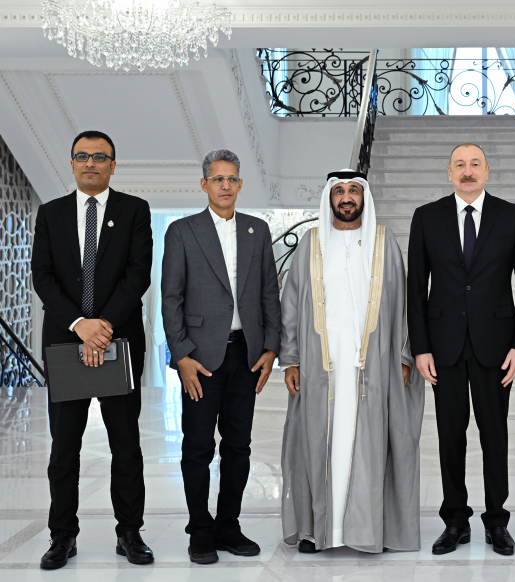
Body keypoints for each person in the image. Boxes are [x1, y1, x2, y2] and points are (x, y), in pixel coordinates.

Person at [279, 169, 422, 553]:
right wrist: (291, 359)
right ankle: (317, 531)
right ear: (329, 198)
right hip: (319, 365)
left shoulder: (384, 241)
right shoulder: (310, 243)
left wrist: (404, 355)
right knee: (318, 444)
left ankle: (368, 532)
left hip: (372, 365)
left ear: (364, 197)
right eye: (339, 191)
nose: (346, 197)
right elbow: (289, 304)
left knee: (370, 447)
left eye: (353, 191)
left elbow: (404, 303)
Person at [407, 143, 515, 556]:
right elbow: (415, 289)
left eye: (475, 164)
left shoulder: (513, 216)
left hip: (497, 346)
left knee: (494, 435)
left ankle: (497, 521)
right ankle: (455, 521)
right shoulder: (427, 217)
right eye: (460, 165)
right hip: (442, 346)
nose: (468, 171)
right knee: (450, 437)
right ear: (449, 172)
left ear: (487, 171)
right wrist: (420, 347)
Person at [32, 130, 154, 570]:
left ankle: (129, 532)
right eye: (82, 156)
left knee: (126, 444)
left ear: (113, 165)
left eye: (100, 157)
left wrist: (102, 327)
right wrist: (80, 325)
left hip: (118, 340)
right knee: (64, 447)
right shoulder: (51, 213)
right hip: (66, 342)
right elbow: (42, 276)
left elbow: (138, 274)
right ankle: (62, 536)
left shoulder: (134, 210)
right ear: (72, 163)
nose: (90, 163)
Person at [161, 149, 281, 565]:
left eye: (231, 179)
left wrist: (271, 348)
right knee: (197, 446)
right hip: (200, 358)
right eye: (218, 179)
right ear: (204, 184)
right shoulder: (182, 231)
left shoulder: (256, 230)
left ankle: (229, 525)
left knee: (238, 446)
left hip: (246, 355)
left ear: (240, 184)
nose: (225, 186)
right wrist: (181, 355)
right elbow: (170, 299)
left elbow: (269, 293)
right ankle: (200, 529)